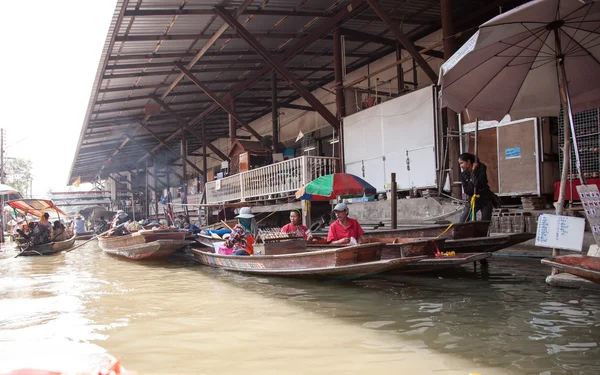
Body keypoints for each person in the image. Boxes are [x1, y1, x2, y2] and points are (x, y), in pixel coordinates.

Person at [458, 153, 494, 222]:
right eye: (460, 164)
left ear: (468, 162)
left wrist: (474, 172)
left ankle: (484, 233)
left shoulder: (481, 168)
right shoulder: (463, 175)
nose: (460, 166)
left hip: (485, 198)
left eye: (462, 163)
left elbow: (478, 183)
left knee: (485, 222)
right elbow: (468, 191)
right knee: (463, 220)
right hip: (473, 199)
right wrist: (472, 174)